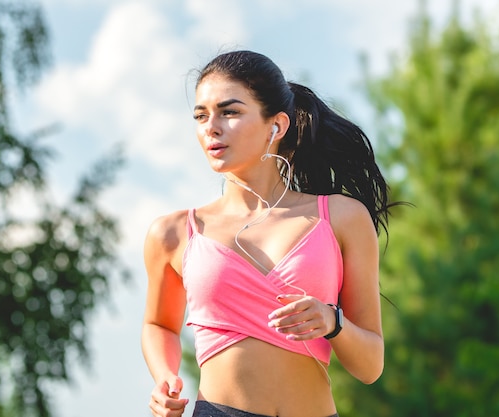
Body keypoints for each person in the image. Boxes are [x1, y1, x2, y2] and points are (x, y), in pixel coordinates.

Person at [141, 50, 393, 417]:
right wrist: (165, 377)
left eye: (229, 112)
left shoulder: (340, 218)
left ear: (276, 125)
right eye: (200, 115)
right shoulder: (173, 233)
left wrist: (332, 321)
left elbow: (370, 366)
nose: (211, 126)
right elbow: (159, 324)